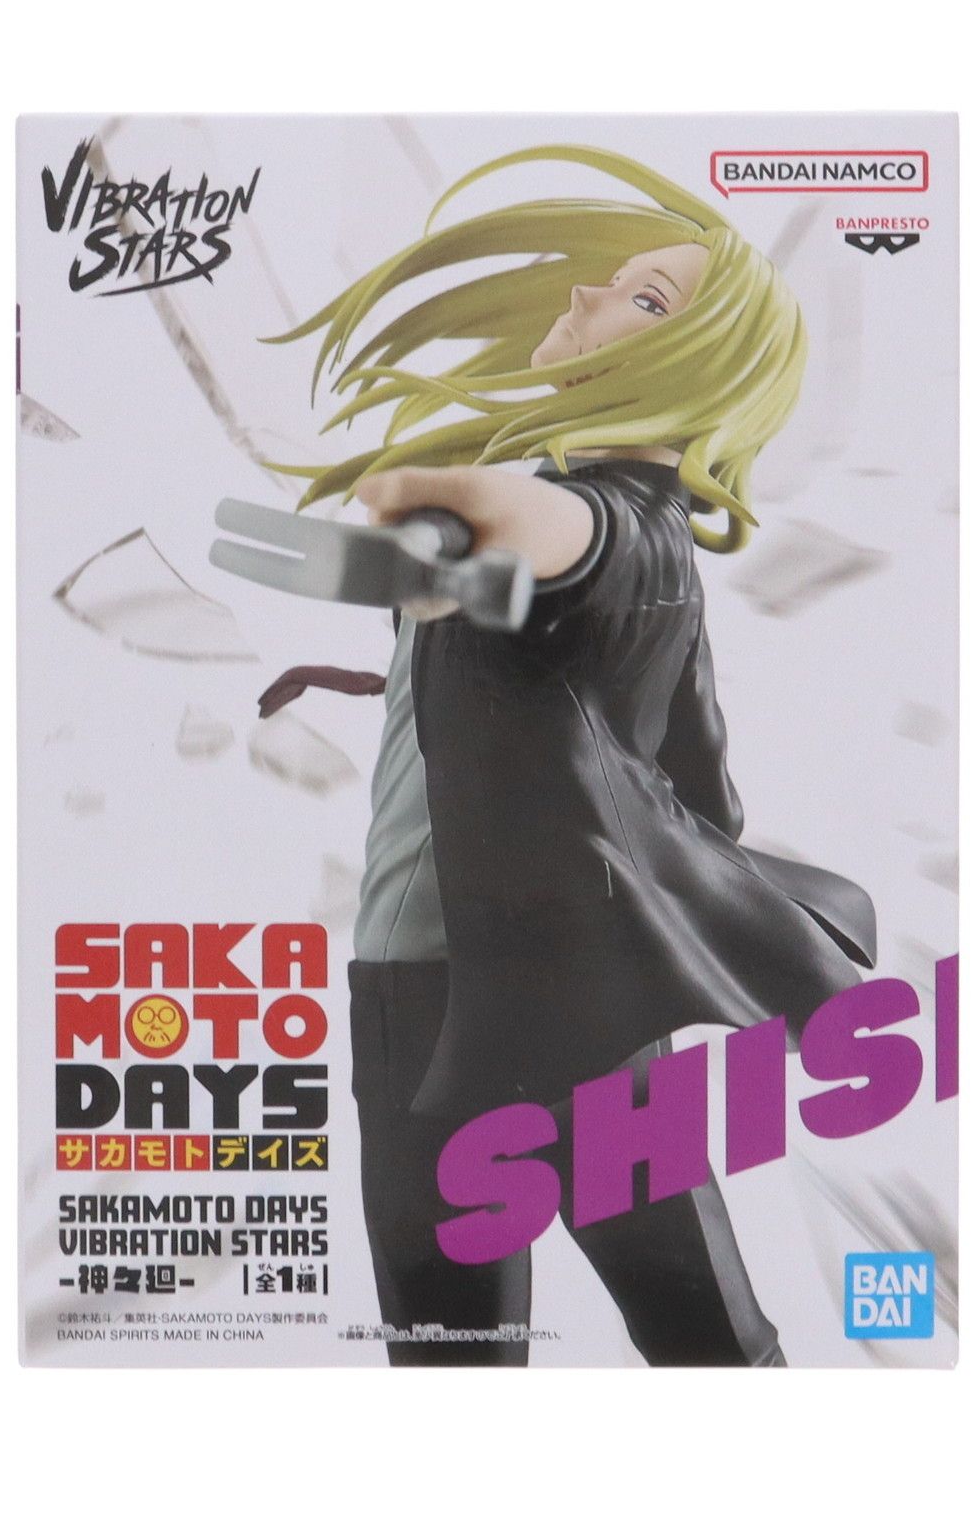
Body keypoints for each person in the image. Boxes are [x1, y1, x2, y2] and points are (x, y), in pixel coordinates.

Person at [267, 146, 875, 1365]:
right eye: (618, 280)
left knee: (551, 1342)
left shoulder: (611, 524)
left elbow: (544, 528)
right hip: (539, 995)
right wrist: (397, 672)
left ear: (692, 368)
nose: (588, 295)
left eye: (644, 298)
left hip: (468, 995)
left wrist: (450, 497)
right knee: (662, 1334)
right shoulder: (641, 554)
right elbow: (696, 775)